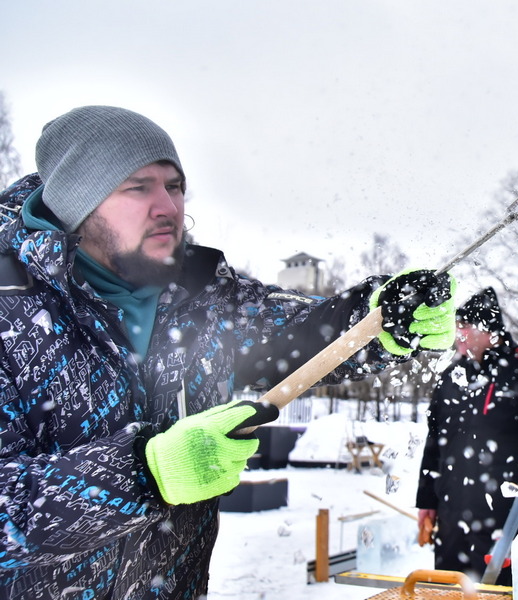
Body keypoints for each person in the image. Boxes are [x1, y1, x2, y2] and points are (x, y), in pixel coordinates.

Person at [0, 105, 457, 600]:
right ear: (77, 204)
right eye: (139, 187)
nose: (168, 206)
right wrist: (143, 473)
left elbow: (296, 334)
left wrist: (376, 320)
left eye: (174, 186)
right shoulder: (12, 313)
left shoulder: (198, 295)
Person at [415, 287, 518, 587]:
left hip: (506, 516)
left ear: (488, 330)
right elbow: (434, 443)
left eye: (465, 325)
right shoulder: (451, 378)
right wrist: (427, 502)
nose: (458, 332)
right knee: (450, 589)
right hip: (453, 515)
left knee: (499, 590)